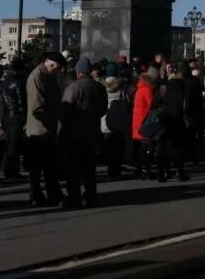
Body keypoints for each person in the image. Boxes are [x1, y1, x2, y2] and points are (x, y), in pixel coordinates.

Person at [59, 57, 108, 208]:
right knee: (89, 169)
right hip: (92, 133)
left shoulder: (73, 88)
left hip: (74, 135)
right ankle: (91, 197)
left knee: (73, 170)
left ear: (78, 72)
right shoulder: (100, 87)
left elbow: (65, 113)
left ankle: (74, 198)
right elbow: (103, 109)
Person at [26, 52, 65, 207]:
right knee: (39, 167)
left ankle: (50, 194)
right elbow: (37, 108)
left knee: (48, 166)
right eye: (59, 68)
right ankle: (37, 196)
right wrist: (52, 123)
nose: (60, 71)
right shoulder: (37, 77)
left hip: (46, 128)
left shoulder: (47, 76)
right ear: (50, 64)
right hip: (40, 130)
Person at [157, 63, 189, 182]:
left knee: (163, 148)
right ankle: (180, 172)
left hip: (166, 118)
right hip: (178, 119)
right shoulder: (182, 87)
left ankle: (162, 173)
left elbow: (159, 102)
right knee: (178, 147)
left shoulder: (164, 87)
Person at [101, 71, 131, 178]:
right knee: (118, 148)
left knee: (108, 147)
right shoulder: (122, 91)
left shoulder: (102, 91)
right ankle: (116, 169)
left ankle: (110, 168)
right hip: (119, 123)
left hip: (106, 124)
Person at [1, 58, 26, 179]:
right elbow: (21, 100)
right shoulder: (18, 81)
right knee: (15, 144)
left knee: (9, 143)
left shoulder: (6, 79)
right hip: (16, 115)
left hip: (7, 115)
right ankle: (12, 171)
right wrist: (24, 115)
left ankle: (7, 169)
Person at [131, 68, 159, 180]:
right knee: (147, 149)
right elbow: (151, 104)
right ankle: (145, 170)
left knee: (141, 148)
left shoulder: (140, 89)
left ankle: (140, 169)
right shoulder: (147, 90)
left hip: (138, 121)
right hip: (145, 122)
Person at [182, 61, 205, 163]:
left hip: (187, 110)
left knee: (188, 134)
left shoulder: (182, 82)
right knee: (195, 134)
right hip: (195, 110)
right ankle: (196, 154)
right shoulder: (195, 81)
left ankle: (188, 153)